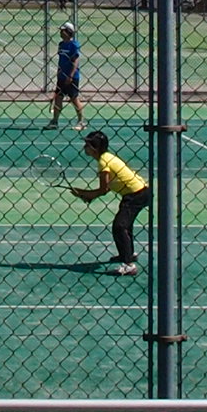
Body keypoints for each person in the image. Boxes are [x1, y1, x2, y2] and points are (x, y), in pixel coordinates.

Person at [68, 130, 151, 276]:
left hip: (136, 195)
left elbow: (103, 189)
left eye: (87, 144)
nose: (84, 147)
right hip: (137, 193)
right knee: (125, 226)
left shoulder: (103, 162)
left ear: (95, 148)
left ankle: (128, 265)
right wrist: (87, 195)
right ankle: (128, 254)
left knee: (120, 226)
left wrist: (83, 193)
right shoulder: (106, 157)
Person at [49, 22, 84, 129]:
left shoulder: (74, 45)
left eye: (63, 30)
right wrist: (59, 72)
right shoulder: (61, 44)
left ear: (68, 32)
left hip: (71, 77)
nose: (60, 32)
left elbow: (75, 61)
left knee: (74, 98)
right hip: (61, 77)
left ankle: (81, 121)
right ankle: (55, 121)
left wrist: (71, 76)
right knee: (58, 98)